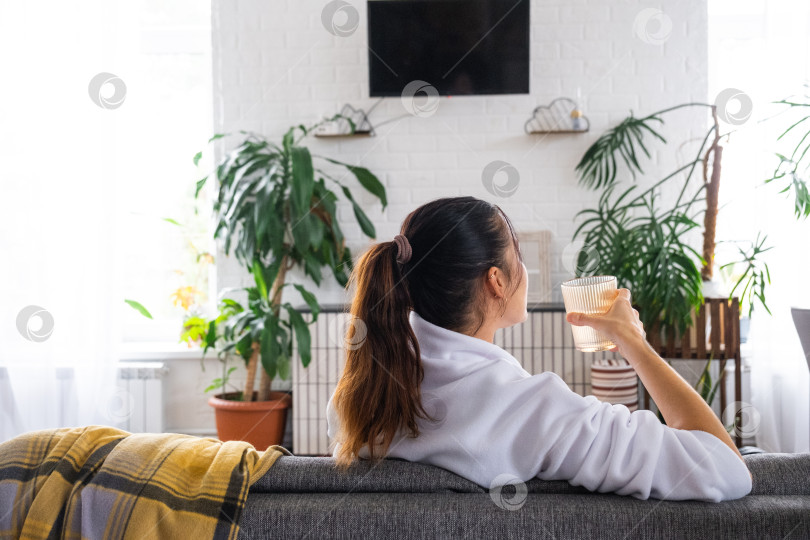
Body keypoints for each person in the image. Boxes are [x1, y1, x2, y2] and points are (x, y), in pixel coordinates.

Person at [326, 196, 752, 502]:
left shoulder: (354, 403)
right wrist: (635, 343)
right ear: (496, 281)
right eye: (518, 256)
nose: (524, 270)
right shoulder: (537, 411)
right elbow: (728, 471)